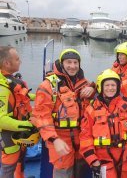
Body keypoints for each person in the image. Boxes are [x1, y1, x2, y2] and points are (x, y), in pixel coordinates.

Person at [31, 48, 95, 178]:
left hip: (81, 138)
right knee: (63, 173)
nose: (72, 66)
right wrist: (54, 139)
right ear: (61, 63)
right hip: (60, 139)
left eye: (75, 63)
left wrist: (92, 88)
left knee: (80, 171)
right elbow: (41, 116)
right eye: (69, 62)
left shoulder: (84, 83)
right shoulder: (48, 86)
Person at [79, 69, 127, 178]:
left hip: (125, 158)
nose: (110, 88)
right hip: (103, 160)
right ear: (100, 87)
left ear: (118, 87)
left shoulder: (126, 107)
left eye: (113, 85)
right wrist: (93, 160)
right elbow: (85, 137)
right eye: (107, 85)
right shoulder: (91, 109)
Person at [0, 46, 35, 178]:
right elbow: (1, 119)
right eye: (17, 59)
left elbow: (21, 97)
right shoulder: (2, 89)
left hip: (19, 134)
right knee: (8, 168)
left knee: (20, 160)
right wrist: (28, 124)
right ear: (7, 63)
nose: (20, 61)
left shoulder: (9, 80)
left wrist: (42, 95)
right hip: (8, 137)